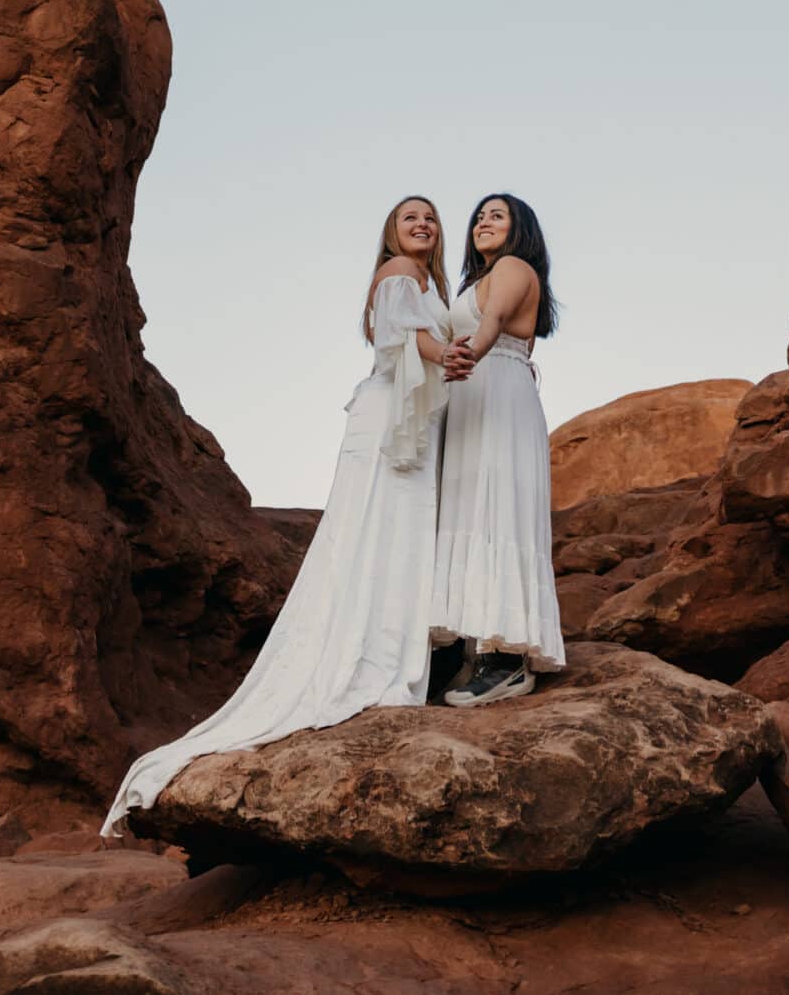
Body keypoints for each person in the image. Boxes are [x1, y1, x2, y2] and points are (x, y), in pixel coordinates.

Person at [100, 197, 453, 833]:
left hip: (410, 424)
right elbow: (406, 338)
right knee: (372, 533)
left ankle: (385, 649)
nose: (421, 225)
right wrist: (457, 355)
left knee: (393, 537)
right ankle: (366, 656)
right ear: (392, 233)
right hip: (386, 426)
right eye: (410, 217)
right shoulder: (398, 270)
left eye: (429, 218)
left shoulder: (427, 280)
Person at [430, 192, 565, 707]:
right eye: (479, 216)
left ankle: (507, 660)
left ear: (519, 228)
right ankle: (476, 647)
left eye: (497, 215)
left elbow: (491, 324)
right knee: (469, 510)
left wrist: (465, 358)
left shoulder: (513, 266)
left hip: (496, 389)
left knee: (497, 511)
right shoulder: (475, 280)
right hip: (473, 396)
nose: (483, 222)